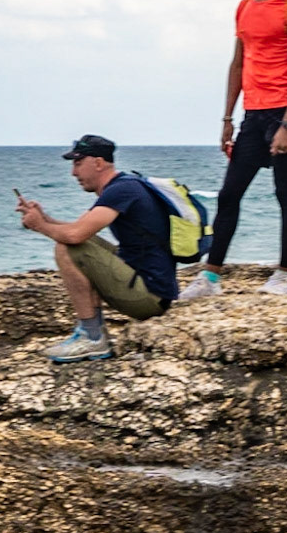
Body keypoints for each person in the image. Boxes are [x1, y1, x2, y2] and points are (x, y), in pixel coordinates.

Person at [181, 0, 287, 300]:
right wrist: (227, 118)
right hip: (252, 117)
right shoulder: (243, 7)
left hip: (284, 114)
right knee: (229, 195)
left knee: (285, 194)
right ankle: (210, 278)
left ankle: (284, 274)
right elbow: (238, 63)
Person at [17, 135, 177, 363]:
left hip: (148, 297)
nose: (73, 172)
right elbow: (80, 230)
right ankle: (93, 334)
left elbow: (74, 235)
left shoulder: (120, 191)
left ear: (99, 163)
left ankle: (92, 338)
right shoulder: (125, 186)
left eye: (78, 163)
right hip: (154, 290)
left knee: (66, 247)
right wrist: (45, 219)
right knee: (78, 244)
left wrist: (39, 225)